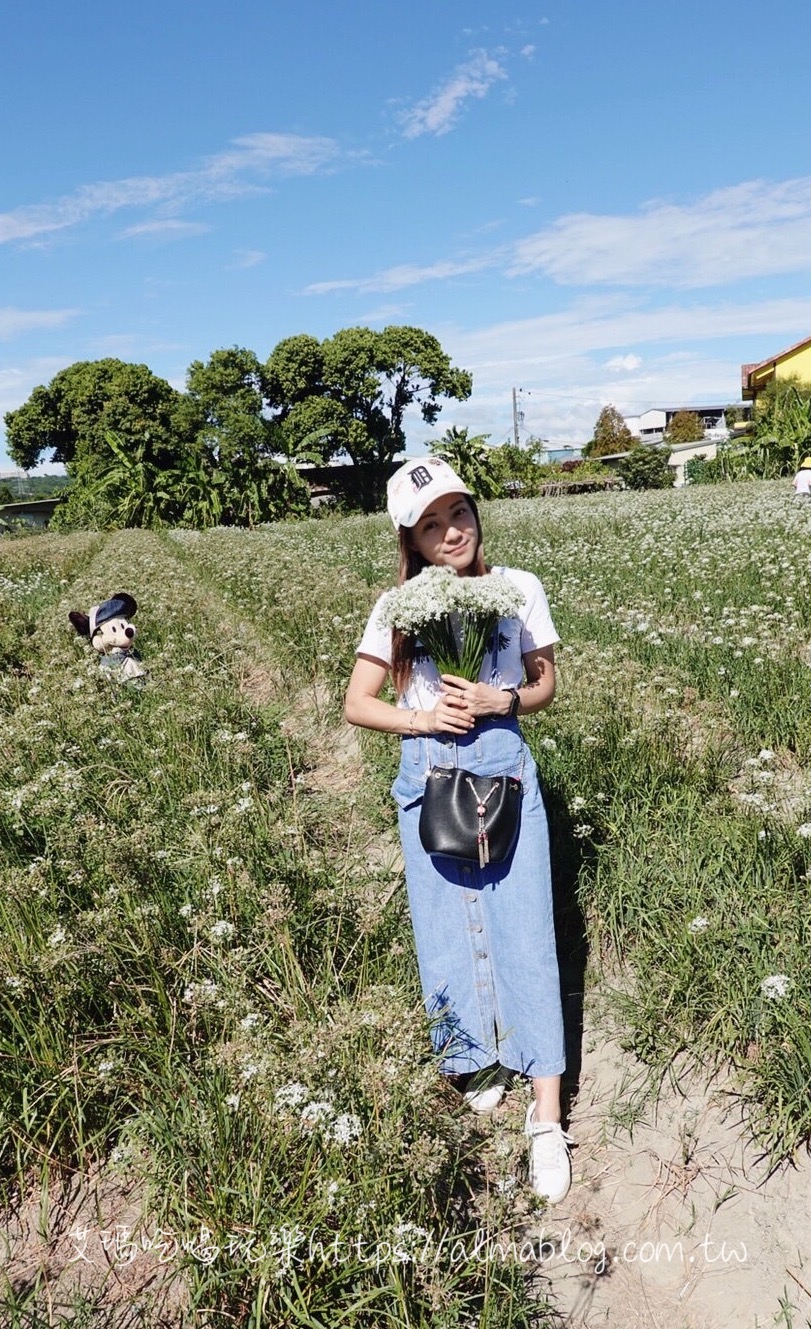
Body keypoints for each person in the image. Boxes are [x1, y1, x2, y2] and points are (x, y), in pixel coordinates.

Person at [344, 458, 572, 1204]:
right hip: (426, 771)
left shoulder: (520, 586)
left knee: (526, 929)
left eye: (459, 513)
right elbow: (357, 702)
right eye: (431, 523)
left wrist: (502, 696)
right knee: (445, 924)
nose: (451, 532)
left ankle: (544, 1113)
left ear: (475, 513)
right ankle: (475, 1059)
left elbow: (544, 683)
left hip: (503, 766)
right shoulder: (396, 604)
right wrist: (421, 716)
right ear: (410, 536)